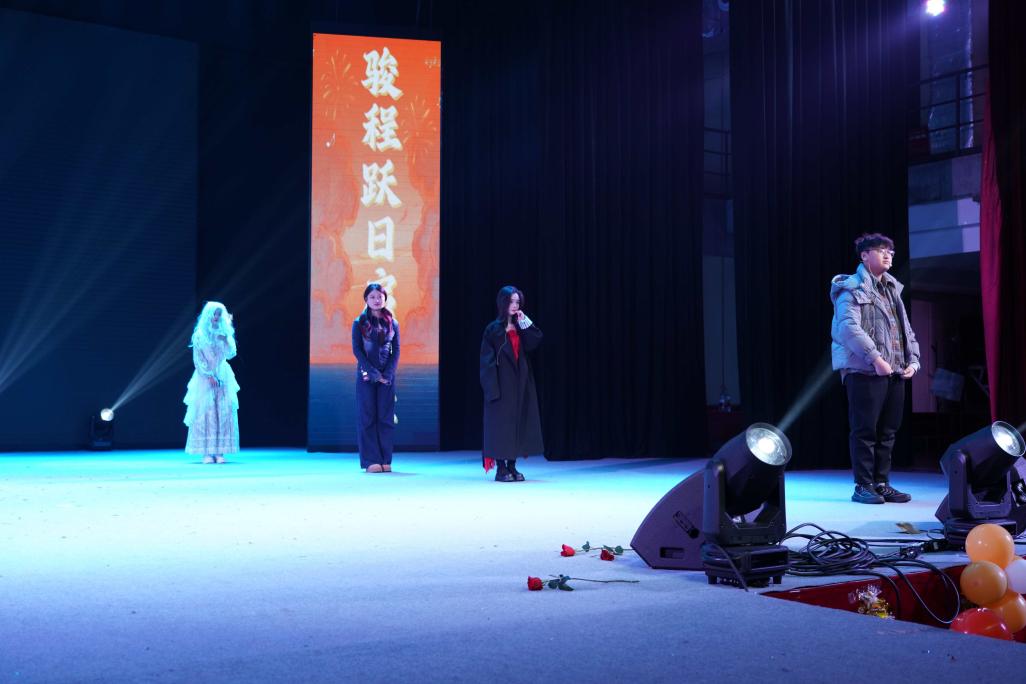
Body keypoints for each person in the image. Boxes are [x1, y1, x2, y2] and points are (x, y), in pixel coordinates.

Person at [830, 233, 920, 504]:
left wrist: (914, 361)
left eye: (890, 251)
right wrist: (876, 359)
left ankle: (881, 483)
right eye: (881, 250)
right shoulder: (851, 287)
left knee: (888, 432)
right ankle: (863, 485)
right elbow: (848, 328)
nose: (888, 255)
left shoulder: (893, 289)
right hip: (864, 370)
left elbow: (905, 330)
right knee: (865, 430)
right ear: (865, 256)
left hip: (895, 371)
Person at [479, 285, 544, 482]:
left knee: (517, 424)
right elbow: (486, 362)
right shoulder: (493, 329)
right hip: (501, 384)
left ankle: (512, 466)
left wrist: (525, 322)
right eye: (511, 301)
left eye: (517, 301)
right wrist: (491, 389)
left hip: (520, 383)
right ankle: (501, 468)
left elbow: (536, 340)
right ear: (503, 303)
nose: (515, 305)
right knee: (501, 426)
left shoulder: (520, 326)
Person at [184, 301, 240, 463]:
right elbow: (198, 358)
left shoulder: (223, 333)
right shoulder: (200, 334)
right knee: (206, 411)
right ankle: (207, 452)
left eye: (219, 314)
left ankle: (220, 452)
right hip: (205, 375)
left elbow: (231, 354)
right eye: (214, 314)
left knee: (223, 411)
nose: (216, 317)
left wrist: (226, 339)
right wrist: (208, 375)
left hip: (222, 373)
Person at [352, 283, 399, 473]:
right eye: (372, 297)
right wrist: (373, 373)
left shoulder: (393, 322)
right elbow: (357, 350)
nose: (376, 300)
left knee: (386, 418)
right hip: (366, 375)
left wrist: (387, 374)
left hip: (387, 377)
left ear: (385, 299)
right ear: (366, 300)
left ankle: (385, 459)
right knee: (367, 417)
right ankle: (371, 460)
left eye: (379, 296)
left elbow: (396, 350)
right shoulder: (359, 322)